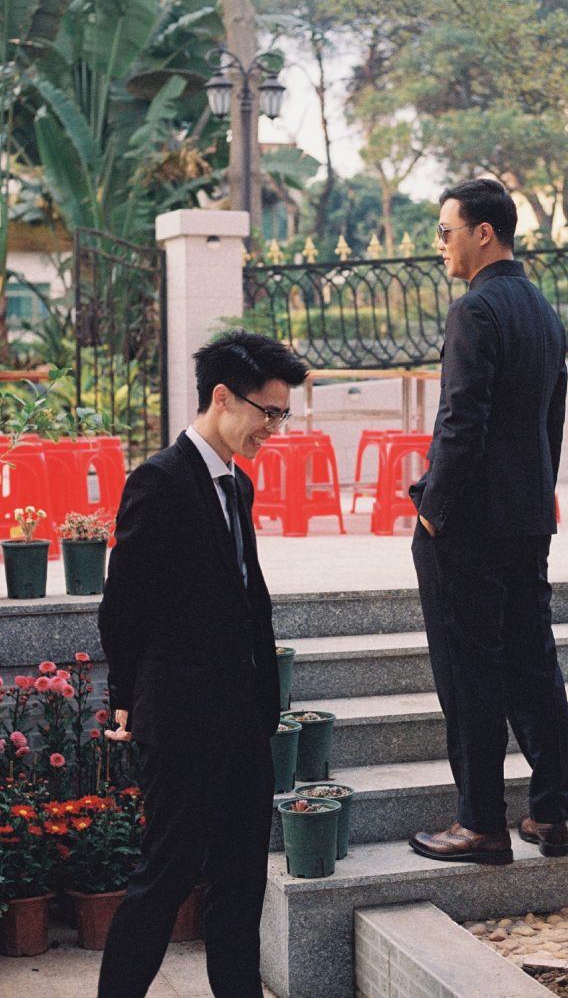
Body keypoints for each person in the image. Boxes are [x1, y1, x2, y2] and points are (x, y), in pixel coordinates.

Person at [97, 331, 308, 998]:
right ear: (222, 397)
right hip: (183, 718)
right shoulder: (160, 480)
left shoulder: (236, 484)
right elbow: (123, 605)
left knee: (241, 882)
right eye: (267, 412)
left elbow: (247, 598)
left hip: (243, 718)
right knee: (166, 877)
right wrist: (126, 697)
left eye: (282, 414)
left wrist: (265, 702)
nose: (273, 428)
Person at [408, 177, 568, 866]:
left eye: (446, 231)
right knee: (533, 661)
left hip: (469, 525)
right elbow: (550, 424)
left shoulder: (475, 309)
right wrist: (535, 497)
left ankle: (480, 824)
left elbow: (460, 422)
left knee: (468, 668)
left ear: (483, 232)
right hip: (526, 517)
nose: (440, 245)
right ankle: (548, 815)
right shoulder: (542, 310)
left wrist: (433, 511)